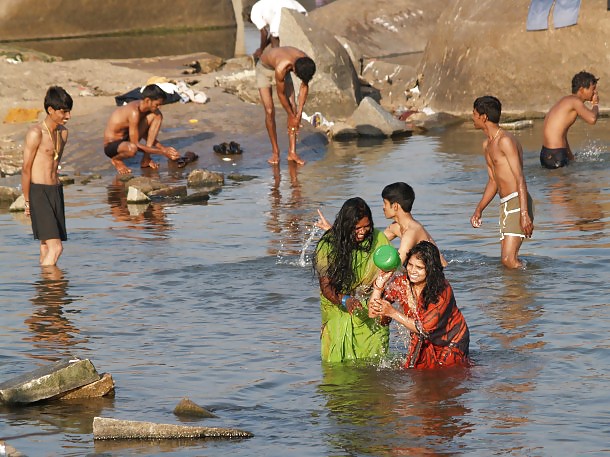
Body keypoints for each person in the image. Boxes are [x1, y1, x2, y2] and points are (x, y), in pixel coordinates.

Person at [313, 197, 391, 363]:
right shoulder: (327, 245)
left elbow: (389, 277)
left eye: (367, 226)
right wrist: (345, 300)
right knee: (338, 367)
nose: (363, 232)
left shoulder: (379, 240)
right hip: (337, 309)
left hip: (371, 309)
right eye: (357, 228)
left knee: (375, 365)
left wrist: (386, 309)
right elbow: (326, 286)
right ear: (346, 226)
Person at [369, 241, 470, 369]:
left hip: (451, 341)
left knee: (447, 378)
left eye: (419, 268)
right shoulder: (402, 283)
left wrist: (392, 313)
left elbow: (425, 329)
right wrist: (379, 286)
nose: (412, 271)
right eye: (410, 265)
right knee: (418, 377)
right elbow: (372, 314)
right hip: (423, 339)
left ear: (430, 269)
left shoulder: (441, 290)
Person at [470, 95, 534, 269]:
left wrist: (524, 214)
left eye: (474, 113)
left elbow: (520, 177)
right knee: (506, 262)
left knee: (509, 260)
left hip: (518, 202)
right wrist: (479, 209)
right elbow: (493, 181)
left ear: (483, 117)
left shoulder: (505, 141)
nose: (472, 117)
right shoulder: (487, 145)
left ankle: (534, 284)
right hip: (504, 205)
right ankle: (514, 293)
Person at [316, 182, 447, 266]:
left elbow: (395, 265)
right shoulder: (396, 227)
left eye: (385, 203)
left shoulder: (412, 231)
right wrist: (333, 230)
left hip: (439, 275)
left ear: (395, 206)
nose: (383, 207)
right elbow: (368, 242)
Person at [21, 86, 73, 266]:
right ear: (50, 110)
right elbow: (26, 169)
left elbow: (55, 164)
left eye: (69, 111)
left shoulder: (63, 133)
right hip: (39, 193)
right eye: (64, 112)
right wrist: (27, 201)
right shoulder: (35, 133)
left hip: (56, 191)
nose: (68, 116)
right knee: (56, 248)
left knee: (46, 246)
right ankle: (53, 289)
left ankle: (45, 292)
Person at [256, 46, 316, 165]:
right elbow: (281, 94)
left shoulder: (306, 63)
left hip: (284, 67)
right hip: (264, 70)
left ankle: (292, 153)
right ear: (294, 69)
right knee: (269, 111)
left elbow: (304, 85)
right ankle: (275, 152)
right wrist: (291, 117)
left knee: (293, 107)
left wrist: (298, 115)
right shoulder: (282, 67)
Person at [103, 84, 181, 174]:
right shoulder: (134, 112)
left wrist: (164, 148)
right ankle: (116, 160)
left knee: (157, 115)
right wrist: (163, 151)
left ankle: (146, 159)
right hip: (112, 145)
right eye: (157, 104)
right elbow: (135, 144)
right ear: (148, 100)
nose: (159, 107)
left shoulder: (145, 109)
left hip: (127, 138)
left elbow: (143, 134)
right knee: (132, 149)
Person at [541, 71, 599, 169]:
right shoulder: (575, 101)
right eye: (592, 89)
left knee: (566, 184)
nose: (595, 92)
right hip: (556, 154)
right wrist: (595, 104)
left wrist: (571, 157)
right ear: (581, 90)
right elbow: (592, 119)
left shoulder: (566, 100)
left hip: (546, 153)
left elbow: (561, 134)